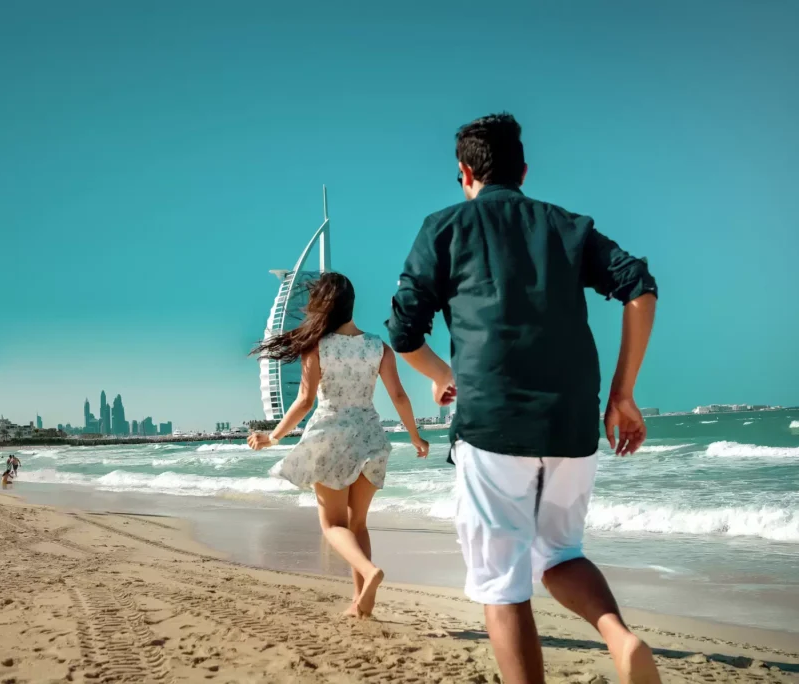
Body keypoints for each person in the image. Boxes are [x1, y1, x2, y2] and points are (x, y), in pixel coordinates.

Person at [386, 113, 660, 684]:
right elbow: (639, 285)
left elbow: (403, 331)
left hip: (491, 426)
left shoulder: (444, 228)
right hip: (571, 423)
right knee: (561, 553)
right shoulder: (567, 225)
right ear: (524, 171)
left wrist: (440, 373)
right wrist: (623, 393)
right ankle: (619, 636)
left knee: (502, 585)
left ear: (465, 173)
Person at [247, 273, 429, 618]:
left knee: (332, 526)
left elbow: (304, 401)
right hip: (371, 437)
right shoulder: (378, 346)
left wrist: (273, 437)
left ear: (322, 305)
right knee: (358, 524)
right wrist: (415, 436)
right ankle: (363, 604)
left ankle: (370, 575)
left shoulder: (318, 346)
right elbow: (399, 396)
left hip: (330, 437)